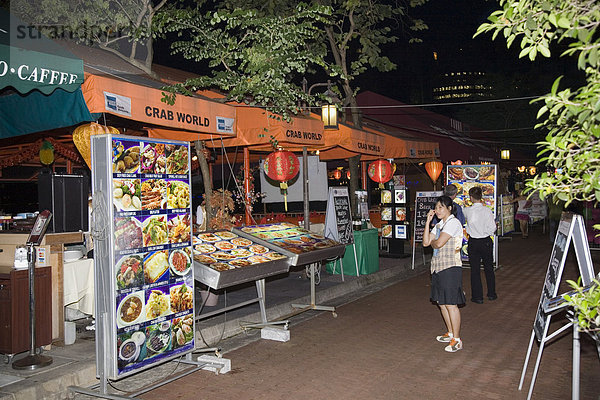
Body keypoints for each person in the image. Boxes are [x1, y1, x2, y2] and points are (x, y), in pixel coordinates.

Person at [423, 195, 465, 352]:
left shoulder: (453, 223)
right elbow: (427, 242)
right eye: (436, 207)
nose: (437, 210)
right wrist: (428, 221)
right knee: (441, 303)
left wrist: (435, 242)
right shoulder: (439, 224)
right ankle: (451, 332)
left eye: (441, 207)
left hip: (450, 267)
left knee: (451, 303)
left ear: (449, 208)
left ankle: (457, 339)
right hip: (437, 268)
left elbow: (438, 243)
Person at [464, 186, 497, 304]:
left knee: (475, 270)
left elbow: (465, 224)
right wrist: (486, 232)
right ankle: (492, 293)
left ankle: (477, 297)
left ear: (471, 197)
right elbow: (492, 227)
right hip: (486, 241)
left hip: (473, 242)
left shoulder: (467, 210)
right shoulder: (487, 210)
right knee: (489, 268)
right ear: (481, 197)